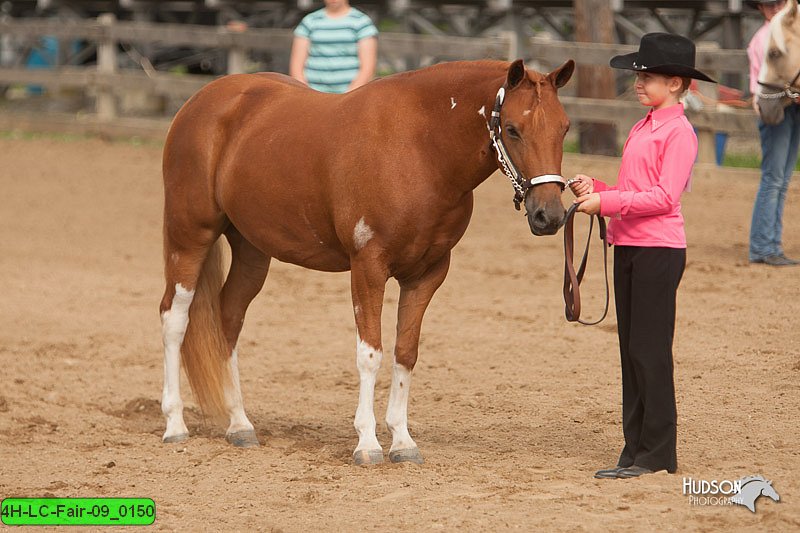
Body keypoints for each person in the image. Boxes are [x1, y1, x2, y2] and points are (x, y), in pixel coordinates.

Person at [569, 33, 716, 479]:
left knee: (649, 351)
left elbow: (664, 198)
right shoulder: (644, 125)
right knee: (631, 350)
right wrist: (599, 188)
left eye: (647, 76)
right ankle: (635, 449)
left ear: (675, 83)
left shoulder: (679, 132)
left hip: (658, 249)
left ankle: (656, 453)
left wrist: (607, 205)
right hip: (631, 244)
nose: (638, 82)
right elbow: (636, 191)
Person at [746, 0, 800, 266]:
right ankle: (762, 246)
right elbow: (765, 82)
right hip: (775, 108)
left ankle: (772, 244)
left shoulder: (790, 31)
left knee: (782, 178)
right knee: (773, 178)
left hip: (792, 107)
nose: (775, 8)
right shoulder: (763, 38)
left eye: (778, 2)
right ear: (760, 8)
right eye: (768, 5)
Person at [289, 0, 378, 94]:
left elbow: (368, 67)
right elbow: (296, 65)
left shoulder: (361, 22)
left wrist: (349, 96)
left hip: (350, 95)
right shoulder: (310, 21)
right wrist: (306, 93)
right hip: (313, 94)